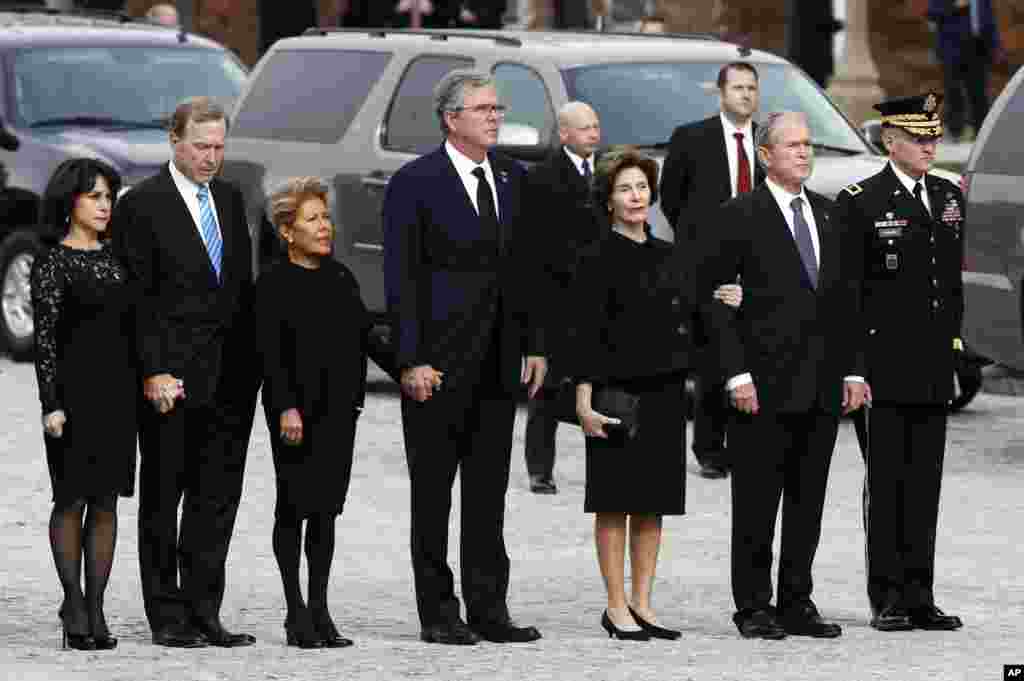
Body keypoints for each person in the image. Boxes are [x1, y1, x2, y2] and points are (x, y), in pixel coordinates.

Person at [383, 69, 547, 646]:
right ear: (452, 119)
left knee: (488, 492)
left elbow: (526, 269)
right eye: (483, 109)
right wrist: (410, 360)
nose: (495, 117)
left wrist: (533, 344)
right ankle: (438, 611)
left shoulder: (511, 177)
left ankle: (488, 606)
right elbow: (400, 279)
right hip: (439, 363)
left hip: (499, 361)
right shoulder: (414, 182)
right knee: (433, 493)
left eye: (497, 108)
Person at [699, 111, 867, 640]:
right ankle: (752, 605)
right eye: (791, 145)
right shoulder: (738, 215)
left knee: (806, 500)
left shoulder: (829, 214)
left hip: (820, 383)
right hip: (762, 384)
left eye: (807, 144)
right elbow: (717, 305)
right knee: (755, 502)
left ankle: (798, 599)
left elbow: (846, 302)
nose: (803, 152)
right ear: (765, 154)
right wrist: (735, 376)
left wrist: (854, 371)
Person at [570, 147, 741, 641]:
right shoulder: (594, 255)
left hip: (667, 393)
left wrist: (723, 299)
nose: (636, 196)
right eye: (625, 188)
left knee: (652, 504)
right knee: (613, 503)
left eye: (642, 187)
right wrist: (584, 401)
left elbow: (689, 316)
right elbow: (584, 334)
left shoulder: (671, 254)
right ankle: (615, 605)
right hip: (617, 395)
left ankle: (643, 603)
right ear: (608, 200)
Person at [112, 96, 259, 649]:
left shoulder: (228, 197)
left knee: (215, 500)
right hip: (171, 379)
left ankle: (205, 608)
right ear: (174, 141)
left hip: (229, 381)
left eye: (220, 147)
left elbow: (240, 291)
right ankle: (165, 613)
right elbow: (137, 301)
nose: (211, 157)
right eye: (202, 146)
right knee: (163, 497)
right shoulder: (142, 206)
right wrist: (153, 371)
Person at [835, 93, 965, 633]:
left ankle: (920, 594)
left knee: (925, 483)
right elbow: (848, 293)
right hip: (883, 365)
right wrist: (854, 368)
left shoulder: (947, 194)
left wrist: (956, 352)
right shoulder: (861, 200)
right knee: (887, 482)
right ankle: (886, 595)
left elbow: (950, 284)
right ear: (891, 141)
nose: (930, 146)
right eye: (918, 138)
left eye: (934, 137)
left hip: (932, 363)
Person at [258, 177, 402, 649]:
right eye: (312, 219)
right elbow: (272, 356)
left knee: (326, 512)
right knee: (293, 508)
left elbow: (367, 335)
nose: (325, 227)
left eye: (326, 217)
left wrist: (409, 371)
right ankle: (294, 610)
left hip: (340, 413)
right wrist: (286, 408)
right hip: (295, 416)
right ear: (286, 230)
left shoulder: (340, 277)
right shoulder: (274, 284)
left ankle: (320, 608)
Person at [31, 159, 136, 652]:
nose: (103, 205)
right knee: (72, 498)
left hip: (117, 400)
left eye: (108, 196)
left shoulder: (118, 259)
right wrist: (50, 404)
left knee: (107, 503)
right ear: (70, 201)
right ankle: (72, 603)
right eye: (94, 196)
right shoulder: (53, 261)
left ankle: (96, 608)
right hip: (73, 402)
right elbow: (46, 342)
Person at [660, 61, 765, 480]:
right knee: (711, 360)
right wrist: (702, 249)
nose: (745, 95)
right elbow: (673, 200)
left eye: (752, 88)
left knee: (753, 354)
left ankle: (747, 445)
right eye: (738, 88)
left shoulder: (765, 140)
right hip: (707, 268)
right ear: (721, 93)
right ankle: (708, 449)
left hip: (756, 264)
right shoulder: (692, 138)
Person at [522, 101, 605, 495]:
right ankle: (540, 468)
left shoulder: (606, 173)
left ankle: (606, 465)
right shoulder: (543, 177)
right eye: (585, 128)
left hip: (598, 297)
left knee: (601, 385)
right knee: (548, 389)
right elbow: (535, 249)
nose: (594, 133)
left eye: (596, 126)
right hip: (556, 297)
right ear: (564, 134)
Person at [927, 0, 1003, 141]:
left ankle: (981, 134)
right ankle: (955, 132)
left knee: (979, 94)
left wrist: (995, 46)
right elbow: (932, 13)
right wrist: (955, 5)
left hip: (978, 49)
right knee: (953, 92)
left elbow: (989, 19)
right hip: (951, 49)